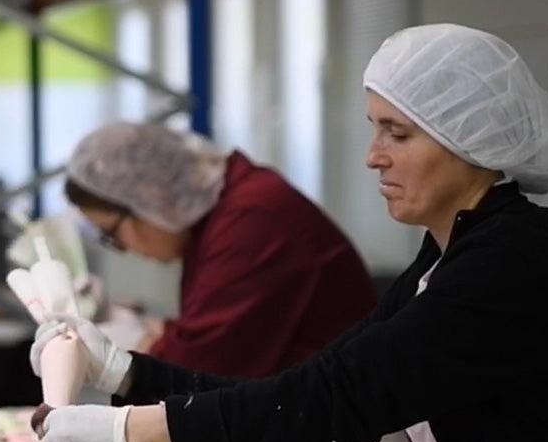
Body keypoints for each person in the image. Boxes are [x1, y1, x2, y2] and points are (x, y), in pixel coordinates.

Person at [32, 24, 548, 442]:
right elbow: (304, 383)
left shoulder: (509, 262)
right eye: (374, 129)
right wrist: (128, 374)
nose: (373, 157)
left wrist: (125, 430)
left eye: (397, 134)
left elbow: (331, 398)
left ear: (467, 140)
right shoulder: (447, 253)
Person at [65, 121, 376, 378]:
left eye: (111, 233)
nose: (123, 249)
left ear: (147, 196)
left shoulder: (251, 220)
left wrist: (127, 352)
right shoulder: (221, 215)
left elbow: (193, 372)